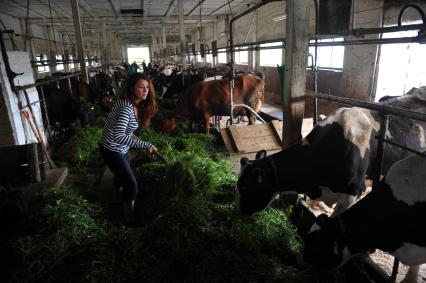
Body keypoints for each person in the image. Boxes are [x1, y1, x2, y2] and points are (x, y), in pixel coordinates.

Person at [99, 73, 158, 222]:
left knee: (121, 175)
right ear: (132, 88)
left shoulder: (131, 104)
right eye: (140, 87)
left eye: (147, 87)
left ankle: (115, 199)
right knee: (131, 183)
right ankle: (129, 218)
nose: (145, 91)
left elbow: (126, 132)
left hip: (119, 148)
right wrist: (145, 145)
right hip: (112, 148)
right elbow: (119, 136)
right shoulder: (126, 107)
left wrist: (142, 142)